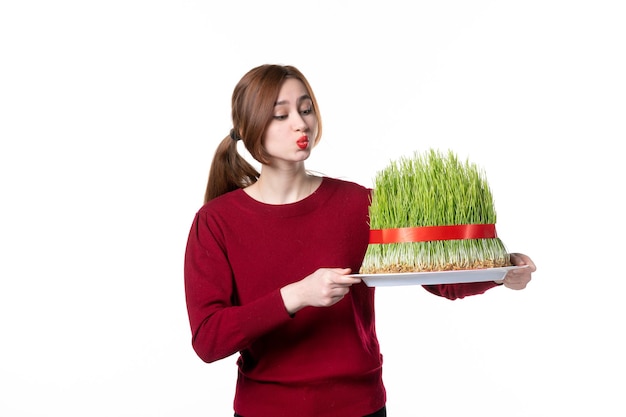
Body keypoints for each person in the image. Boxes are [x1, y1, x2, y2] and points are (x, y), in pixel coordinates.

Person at [184, 64, 536, 417]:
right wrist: (297, 295)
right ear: (247, 128)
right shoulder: (216, 222)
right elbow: (209, 339)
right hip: (265, 410)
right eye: (281, 114)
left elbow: (435, 275)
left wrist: (500, 272)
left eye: (306, 109)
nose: (301, 123)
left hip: (360, 408)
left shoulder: (360, 204)